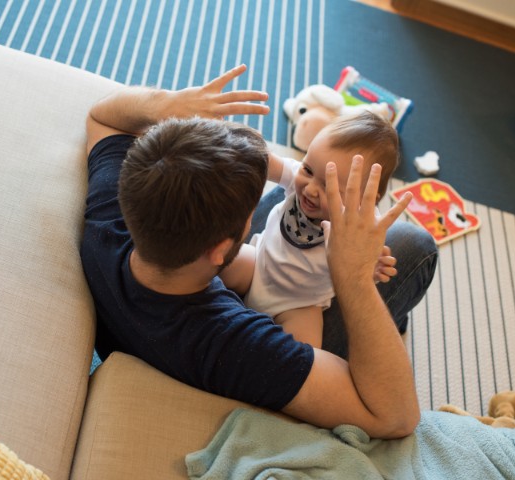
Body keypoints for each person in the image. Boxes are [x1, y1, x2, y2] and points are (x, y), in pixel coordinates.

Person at [81, 64, 438, 438]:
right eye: (249, 212)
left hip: (215, 278)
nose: (307, 187)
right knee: (415, 245)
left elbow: (102, 117)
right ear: (221, 250)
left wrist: (169, 103)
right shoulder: (240, 348)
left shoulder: (109, 220)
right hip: (296, 304)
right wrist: (354, 278)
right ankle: (391, 321)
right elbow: (398, 417)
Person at [223, 111, 401, 348]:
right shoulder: (303, 179)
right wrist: (235, 146)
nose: (310, 189)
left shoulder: (358, 230)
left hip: (299, 304)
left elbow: (359, 272)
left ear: (363, 200)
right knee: (214, 262)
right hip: (258, 264)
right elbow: (266, 161)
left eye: (329, 187)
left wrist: (372, 268)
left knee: (305, 354)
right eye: (308, 170)